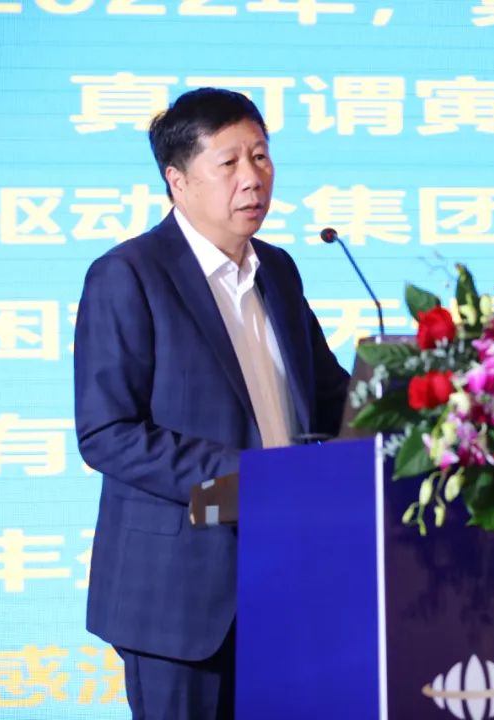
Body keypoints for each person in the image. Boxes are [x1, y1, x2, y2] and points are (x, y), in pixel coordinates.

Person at [73, 87, 349, 719]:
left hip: (291, 574)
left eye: (261, 156)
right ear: (178, 181)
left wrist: (423, 413)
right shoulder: (129, 274)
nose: (253, 177)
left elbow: (328, 396)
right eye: (229, 163)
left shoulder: (278, 270)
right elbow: (107, 432)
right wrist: (252, 478)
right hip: (181, 595)